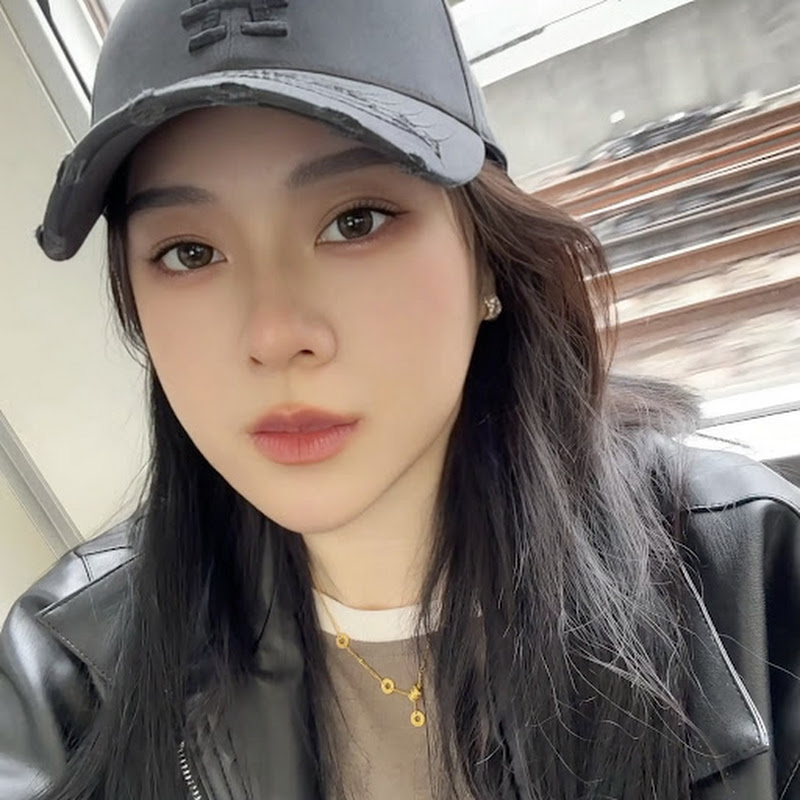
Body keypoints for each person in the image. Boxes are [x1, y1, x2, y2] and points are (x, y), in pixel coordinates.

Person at [2, 0, 799, 798]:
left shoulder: (749, 583)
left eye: (355, 222)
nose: (275, 335)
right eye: (189, 252)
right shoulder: (70, 672)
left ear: (487, 261)